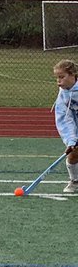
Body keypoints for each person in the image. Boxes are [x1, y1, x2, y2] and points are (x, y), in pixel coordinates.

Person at [53, 59, 78, 193]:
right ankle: (75, 180)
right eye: (57, 77)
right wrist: (71, 140)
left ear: (73, 74)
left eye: (62, 77)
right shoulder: (63, 94)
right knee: (74, 153)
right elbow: (64, 118)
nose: (58, 81)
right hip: (75, 123)